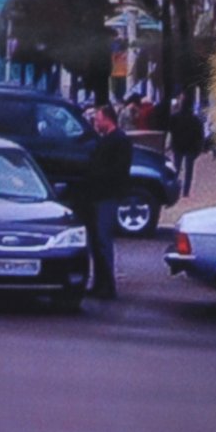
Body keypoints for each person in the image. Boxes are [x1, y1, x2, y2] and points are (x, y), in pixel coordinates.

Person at [81, 105, 134, 300]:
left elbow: (118, 171)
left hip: (107, 196)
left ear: (107, 119)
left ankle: (108, 285)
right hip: (97, 196)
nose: (95, 122)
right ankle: (99, 282)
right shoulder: (105, 140)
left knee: (103, 241)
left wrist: (96, 176)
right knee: (96, 242)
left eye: (98, 119)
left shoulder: (120, 141)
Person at [167, 99, 209, 199]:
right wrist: (199, 149)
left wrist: (170, 143)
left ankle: (173, 188)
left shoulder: (175, 117)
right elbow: (200, 135)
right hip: (191, 147)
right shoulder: (195, 119)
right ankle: (186, 191)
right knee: (189, 170)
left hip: (178, 145)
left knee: (176, 168)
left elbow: (169, 129)